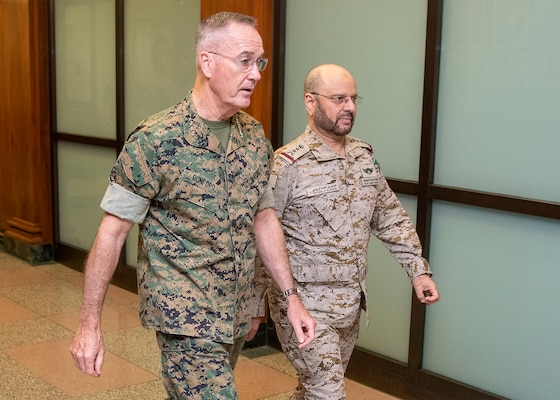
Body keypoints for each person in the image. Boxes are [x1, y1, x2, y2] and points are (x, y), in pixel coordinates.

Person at [69, 12, 315, 399]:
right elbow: (111, 232)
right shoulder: (156, 140)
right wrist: (88, 324)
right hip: (183, 316)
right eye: (245, 60)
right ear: (207, 61)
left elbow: (263, 218)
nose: (256, 74)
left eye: (260, 62)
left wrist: (288, 299)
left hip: (231, 313)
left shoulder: (253, 136)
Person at [248, 64, 440, 400]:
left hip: (350, 304)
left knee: (315, 390)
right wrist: (252, 307)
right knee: (328, 393)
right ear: (310, 102)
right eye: (338, 98)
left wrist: (418, 271)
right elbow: (262, 237)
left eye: (353, 98)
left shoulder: (363, 156)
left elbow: (389, 216)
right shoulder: (287, 164)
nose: (349, 107)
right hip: (303, 307)